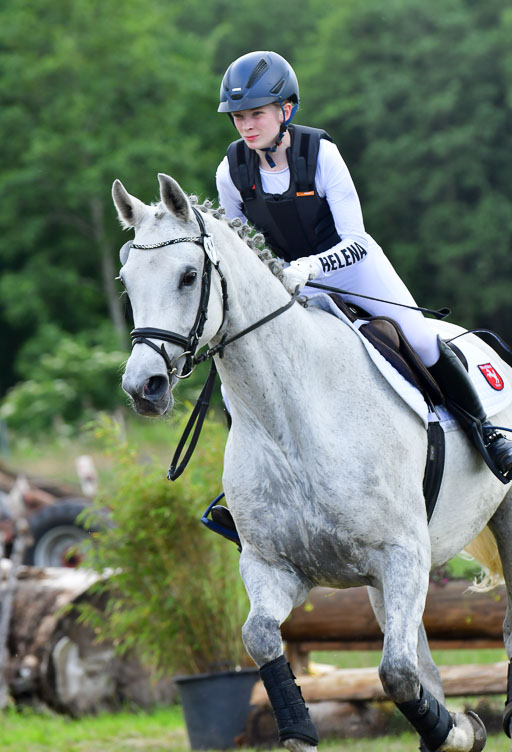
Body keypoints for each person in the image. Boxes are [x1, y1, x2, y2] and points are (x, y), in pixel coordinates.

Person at [212, 50, 512, 536]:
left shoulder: (321, 155)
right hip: (287, 281)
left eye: (257, 114)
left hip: (351, 267)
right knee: (242, 372)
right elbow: (242, 248)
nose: (246, 125)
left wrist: (312, 266)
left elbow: (356, 238)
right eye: (239, 117)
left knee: (421, 338)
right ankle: (247, 491)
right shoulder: (231, 172)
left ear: (286, 110)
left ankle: (488, 435)